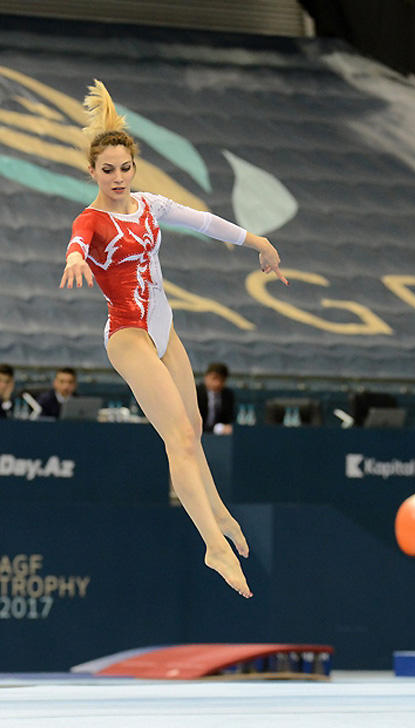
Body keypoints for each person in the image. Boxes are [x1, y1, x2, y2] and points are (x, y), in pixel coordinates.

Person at [62, 80, 286, 598]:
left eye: (125, 168)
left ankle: (217, 511)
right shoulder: (91, 219)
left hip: (165, 328)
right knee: (178, 439)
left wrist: (260, 242)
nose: (117, 178)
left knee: (194, 430)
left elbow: (204, 221)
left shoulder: (149, 206)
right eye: (107, 170)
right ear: (91, 172)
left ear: (132, 168)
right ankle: (212, 543)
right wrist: (75, 257)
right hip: (128, 335)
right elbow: (78, 241)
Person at [196, 362, 236, 435]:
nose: (217, 383)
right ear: (206, 377)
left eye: (222, 380)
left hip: (218, 438)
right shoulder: (196, 392)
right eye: (214, 378)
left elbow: (228, 419)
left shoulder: (227, 395)